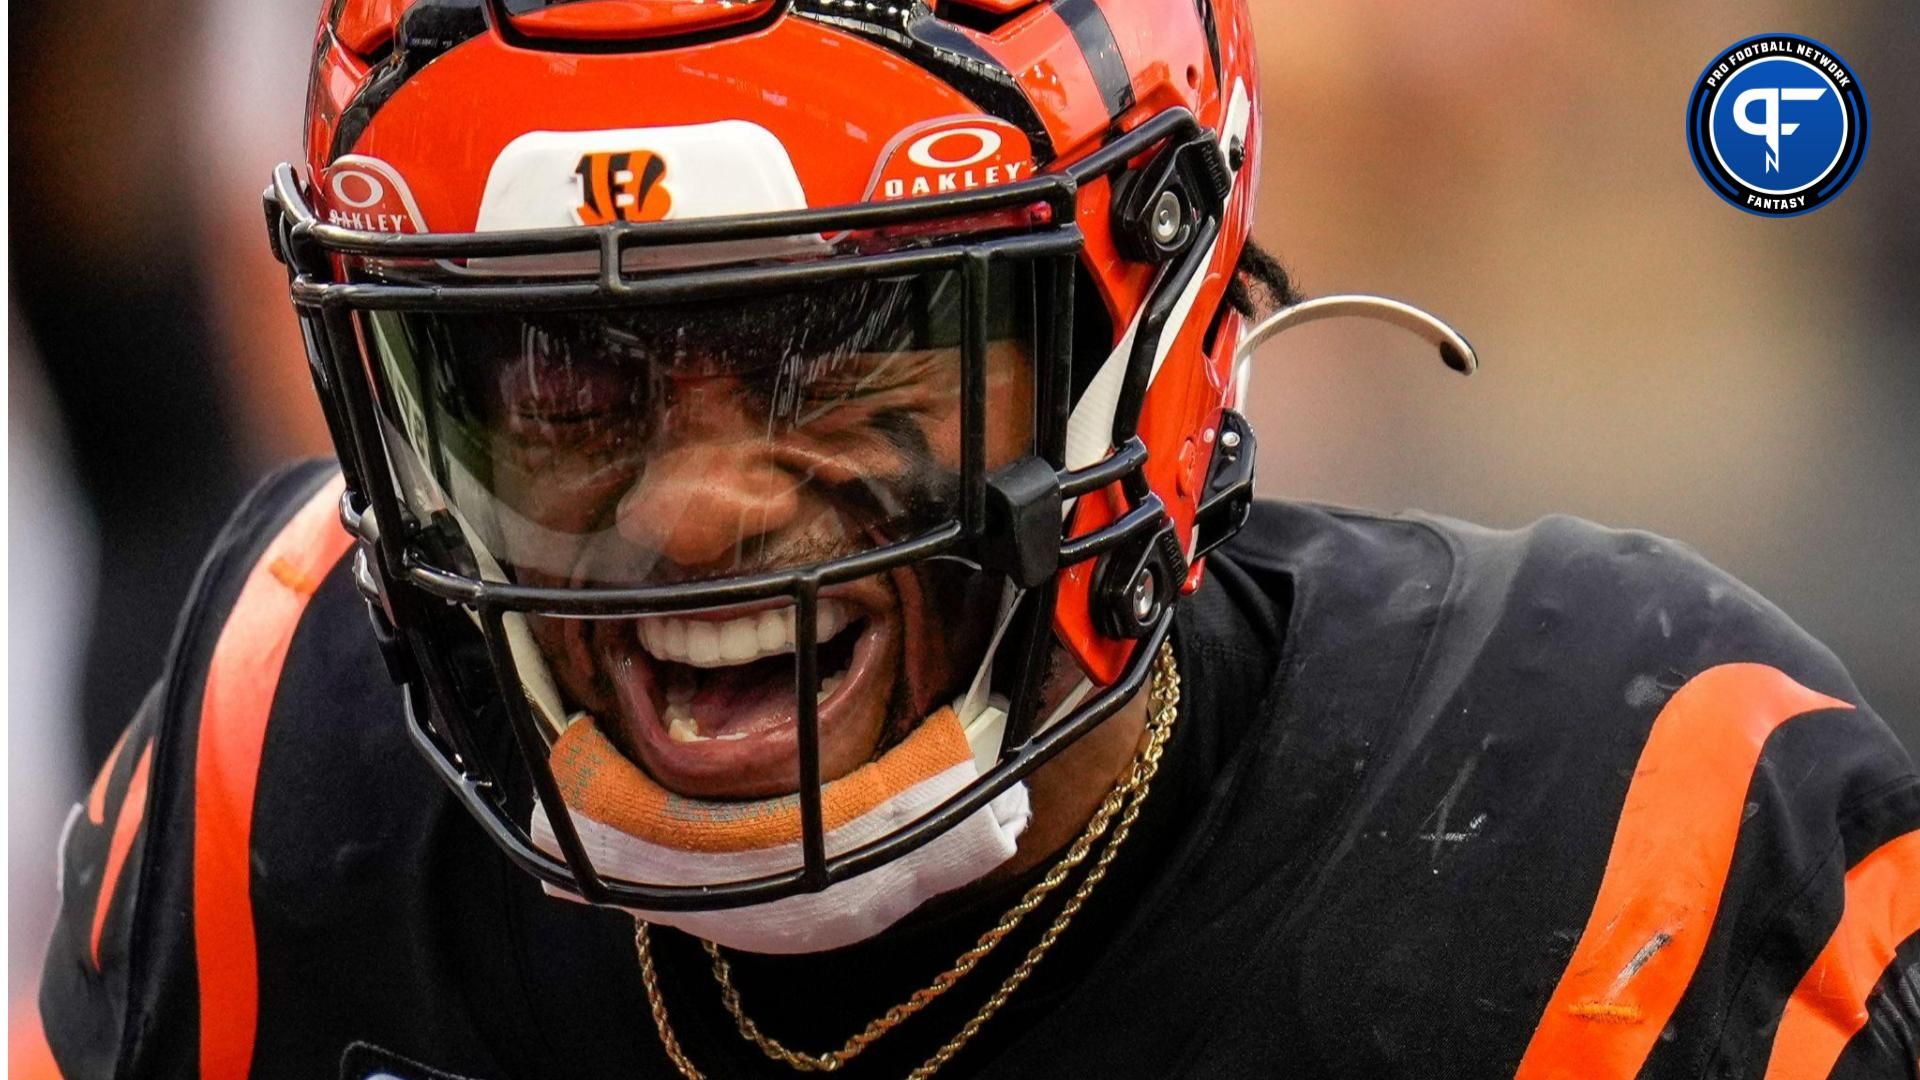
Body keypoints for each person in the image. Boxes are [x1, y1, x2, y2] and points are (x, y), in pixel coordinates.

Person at [40, 1, 1920, 1076]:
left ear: (1144, 328)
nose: (699, 507)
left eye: (844, 345)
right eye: (561, 368)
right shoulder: (286, 771)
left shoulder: (1604, 830)